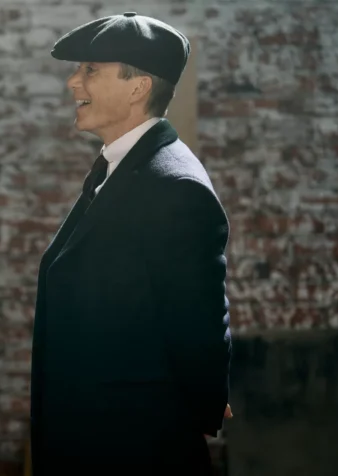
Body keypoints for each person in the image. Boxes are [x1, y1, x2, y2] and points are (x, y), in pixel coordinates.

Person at [29, 12, 232, 474]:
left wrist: (204, 400)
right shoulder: (121, 165)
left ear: (138, 87)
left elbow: (199, 319)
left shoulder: (174, 185)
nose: (73, 82)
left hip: (133, 445)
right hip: (96, 437)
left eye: (90, 70)